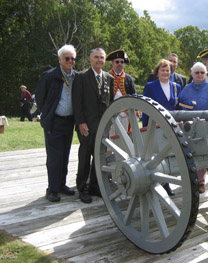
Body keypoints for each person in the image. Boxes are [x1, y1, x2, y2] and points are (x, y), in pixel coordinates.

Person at [72, 47, 114, 203]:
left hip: (103, 126)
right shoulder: (81, 77)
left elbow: (110, 103)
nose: (99, 60)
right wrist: (80, 122)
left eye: (102, 57)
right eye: (96, 57)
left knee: (99, 158)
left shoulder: (109, 78)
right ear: (90, 59)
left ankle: (95, 187)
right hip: (86, 126)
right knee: (84, 158)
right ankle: (82, 188)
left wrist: (109, 122)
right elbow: (77, 103)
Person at [36, 44, 77, 202]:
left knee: (65, 155)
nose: (70, 61)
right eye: (67, 58)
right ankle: (52, 189)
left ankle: (61, 185)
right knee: (54, 157)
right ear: (60, 59)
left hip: (68, 122)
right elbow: (40, 98)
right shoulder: (49, 76)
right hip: (54, 122)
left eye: (73, 58)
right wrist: (47, 115)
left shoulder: (75, 76)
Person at [180, 62, 208, 193]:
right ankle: (190, 179)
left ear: (205, 74)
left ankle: (200, 182)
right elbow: (181, 104)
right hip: (189, 125)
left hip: (204, 125)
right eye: (197, 72)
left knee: (203, 153)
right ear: (192, 74)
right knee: (190, 152)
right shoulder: (186, 89)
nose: (199, 75)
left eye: (202, 72)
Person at [142, 59, 182, 196]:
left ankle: (167, 181)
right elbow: (145, 108)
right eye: (163, 70)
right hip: (156, 125)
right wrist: (146, 127)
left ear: (171, 72)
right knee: (158, 154)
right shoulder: (151, 86)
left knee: (171, 153)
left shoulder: (176, 87)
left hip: (171, 125)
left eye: (168, 70)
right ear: (157, 72)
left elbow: (179, 107)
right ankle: (164, 184)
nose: (165, 72)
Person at [106, 49, 136, 131]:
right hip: (111, 113)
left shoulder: (128, 78)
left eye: (122, 62)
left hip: (125, 114)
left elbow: (134, 95)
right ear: (112, 63)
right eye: (117, 62)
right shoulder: (106, 76)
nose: (120, 64)